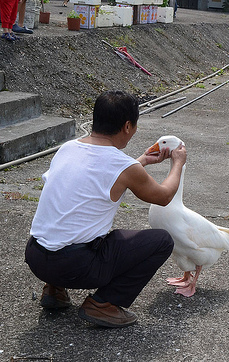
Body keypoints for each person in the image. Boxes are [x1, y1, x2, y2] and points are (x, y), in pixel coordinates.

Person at [25, 90, 187, 328]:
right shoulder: (124, 166)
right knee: (161, 241)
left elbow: (94, 174)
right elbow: (163, 196)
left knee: (66, 223)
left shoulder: (67, 148)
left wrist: (140, 161)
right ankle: (104, 304)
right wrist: (178, 163)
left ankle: (54, 290)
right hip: (74, 266)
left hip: (36, 257)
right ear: (128, 126)